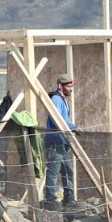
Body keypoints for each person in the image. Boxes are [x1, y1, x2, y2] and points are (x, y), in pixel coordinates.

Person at [42, 73, 83, 212]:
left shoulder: (64, 100)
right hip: (55, 141)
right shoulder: (56, 99)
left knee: (68, 171)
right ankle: (50, 200)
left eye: (72, 86)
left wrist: (72, 127)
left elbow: (63, 120)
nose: (71, 88)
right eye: (69, 86)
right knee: (53, 171)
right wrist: (73, 127)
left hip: (62, 141)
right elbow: (56, 119)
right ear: (61, 86)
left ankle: (69, 199)